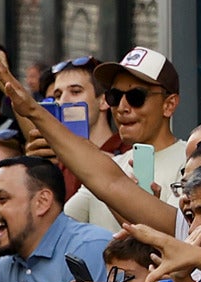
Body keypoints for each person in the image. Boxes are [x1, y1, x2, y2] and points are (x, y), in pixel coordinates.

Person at [56, 47, 184, 230]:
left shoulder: (191, 162)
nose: (122, 107)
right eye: (114, 97)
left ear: (169, 104)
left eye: (136, 97)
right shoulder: (109, 165)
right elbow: (55, 231)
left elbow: (179, 236)